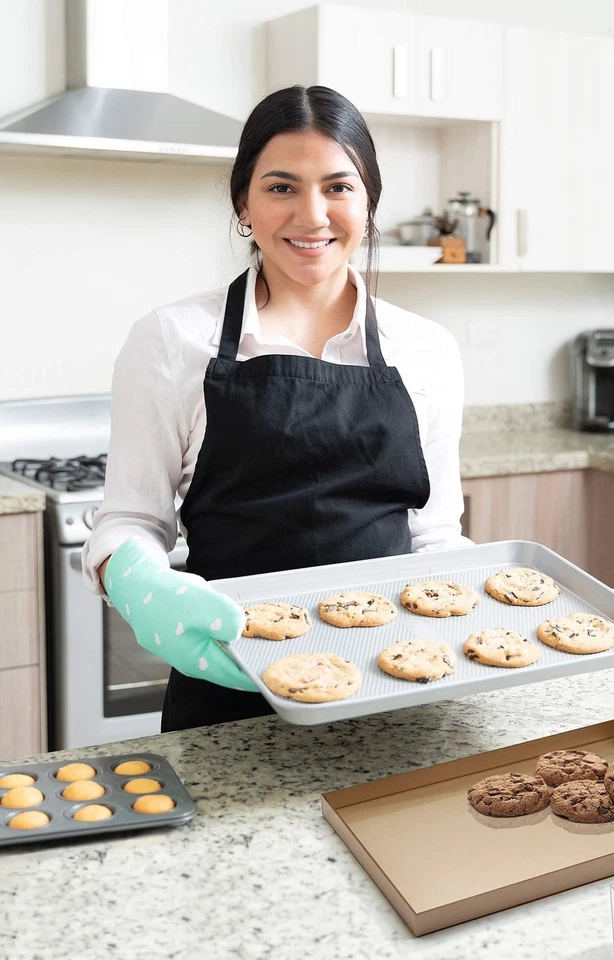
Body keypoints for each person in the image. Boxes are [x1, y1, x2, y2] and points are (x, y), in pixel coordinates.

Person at [81, 85, 471, 732]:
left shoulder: (426, 349)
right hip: (227, 692)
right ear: (244, 203)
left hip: (399, 689)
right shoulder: (171, 341)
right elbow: (129, 522)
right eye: (282, 187)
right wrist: (139, 585)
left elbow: (434, 537)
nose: (312, 215)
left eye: (338, 187)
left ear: (369, 203)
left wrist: (516, 613)